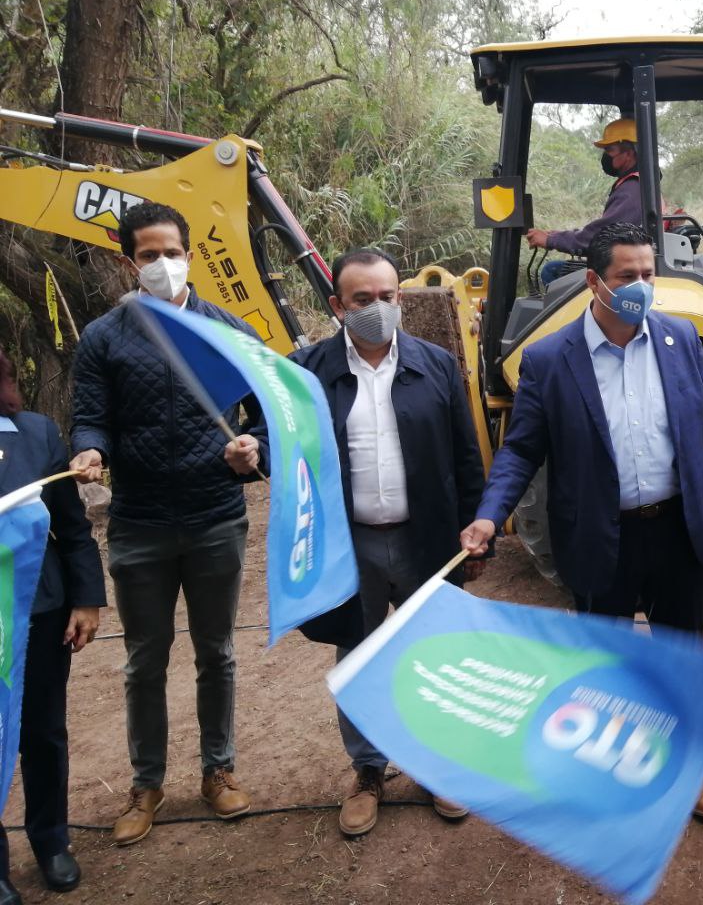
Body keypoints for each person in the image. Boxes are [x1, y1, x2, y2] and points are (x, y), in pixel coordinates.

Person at [458, 222, 703, 821]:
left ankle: (689, 771)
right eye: (626, 277)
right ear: (592, 282)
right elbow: (522, 449)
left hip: (675, 533)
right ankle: (612, 774)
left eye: (647, 275)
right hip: (598, 534)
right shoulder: (551, 360)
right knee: (602, 663)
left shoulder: (681, 339)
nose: (641, 287)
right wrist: (487, 516)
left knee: (679, 658)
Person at [69, 201, 265, 845]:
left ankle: (219, 770)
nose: (162, 264)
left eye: (172, 252)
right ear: (131, 262)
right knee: (143, 660)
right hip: (139, 522)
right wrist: (91, 448)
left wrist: (250, 450)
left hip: (215, 517)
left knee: (218, 653)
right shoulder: (105, 337)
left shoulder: (224, 331)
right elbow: (91, 415)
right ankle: (146, 782)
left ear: (190, 255)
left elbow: (267, 411)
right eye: (149, 255)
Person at [288, 247, 488, 836]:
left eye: (388, 296)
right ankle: (368, 770)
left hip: (428, 539)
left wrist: (479, 533)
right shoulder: (306, 373)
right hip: (350, 545)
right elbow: (284, 445)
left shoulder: (436, 364)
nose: (378, 308)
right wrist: (253, 454)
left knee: (435, 656)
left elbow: (466, 455)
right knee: (357, 654)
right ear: (337, 306)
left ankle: (436, 765)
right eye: (363, 300)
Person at [0, 349, 105, 903]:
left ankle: (51, 840)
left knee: (42, 731)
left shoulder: (35, 432)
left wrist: (86, 599)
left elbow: (72, 524)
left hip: (39, 610)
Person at [527, 118, 643, 289]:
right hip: (625, 261)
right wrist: (557, 236)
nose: (606, 156)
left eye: (610, 149)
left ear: (629, 153)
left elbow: (600, 237)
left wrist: (551, 240)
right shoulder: (636, 185)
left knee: (551, 272)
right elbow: (605, 231)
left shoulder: (632, 190)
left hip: (622, 268)